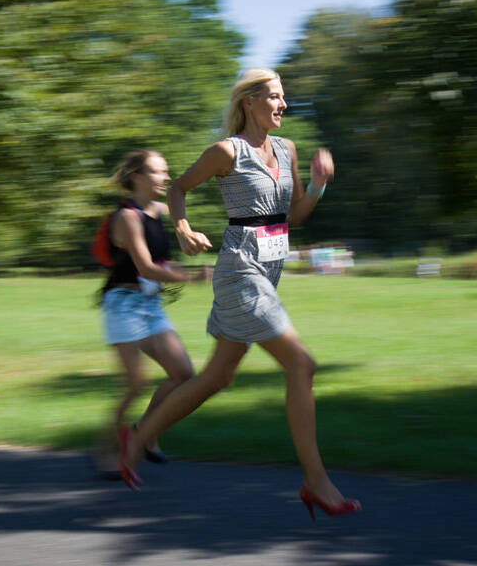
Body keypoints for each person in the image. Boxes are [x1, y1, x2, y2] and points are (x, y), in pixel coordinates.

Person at [119, 69, 361, 520]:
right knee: (302, 364)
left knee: (216, 378)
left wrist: (318, 185)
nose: (282, 104)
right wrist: (185, 228)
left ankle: (136, 438)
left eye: (283, 96)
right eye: (273, 96)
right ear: (249, 102)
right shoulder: (226, 151)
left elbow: (293, 216)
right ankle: (316, 482)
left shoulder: (286, 149)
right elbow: (178, 189)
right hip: (239, 270)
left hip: (269, 271)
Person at [93, 150, 197, 478]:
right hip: (122, 302)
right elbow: (146, 268)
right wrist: (191, 277)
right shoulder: (127, 217)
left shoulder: (161, 212)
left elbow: (161, 262)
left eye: (166, 171)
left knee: (182, 373)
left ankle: (145, 432)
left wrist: (187, 253)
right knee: (136, 384)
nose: (165, 177)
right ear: (137, 176)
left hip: (150, 305)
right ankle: (105, 454)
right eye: (156, 172)